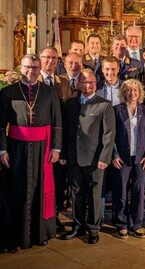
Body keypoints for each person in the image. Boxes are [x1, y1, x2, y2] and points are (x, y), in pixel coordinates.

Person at [0, 54, 62, 253]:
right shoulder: (7, 92)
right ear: (20, 68)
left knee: (39, 190)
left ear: (40, 69)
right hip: (15, 149)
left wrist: (56, 149)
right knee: (13, 192)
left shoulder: (49, 92)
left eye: (35, 67)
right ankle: (10, 237)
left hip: (42, 149)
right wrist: (2, 149)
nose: (31, 71)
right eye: (27, 67)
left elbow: (57, 123)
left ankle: (39, 234)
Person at [61, 69, 116, 245]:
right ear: (79, 84)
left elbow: (109, 133)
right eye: (84, 82)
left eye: (91, 82)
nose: (88, 85)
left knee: (94, 195)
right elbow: (65, 131)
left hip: (95, 159)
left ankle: (93, 228)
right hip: (73, 157)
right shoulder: (70, 104)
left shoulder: (104, 105)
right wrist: (63, 154)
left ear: (95, 84)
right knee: (76, 193)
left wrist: (104, 157)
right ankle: (78, 226)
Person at [111, 79, 145, 239]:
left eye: (135, 90)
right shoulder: (116, 110)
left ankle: (137, 224)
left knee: (138, 191)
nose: (132, 93)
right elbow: (111, 135)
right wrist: (114, 155)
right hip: (121, 158)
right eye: (128, 90)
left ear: (140, 92)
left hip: (140, 158)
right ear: (123, 92)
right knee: (120, 192)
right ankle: (121, 223)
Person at [38, 46, 73, 235]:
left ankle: (55, 215)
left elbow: (68, 115)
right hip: (38, 140)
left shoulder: (64, 82)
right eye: (47, 58)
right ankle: (39, 216)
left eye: (54, 58)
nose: (51, 62)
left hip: (58, 140)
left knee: (58, 182)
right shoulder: (32, 80)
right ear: (40, 59)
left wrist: (63, 148)